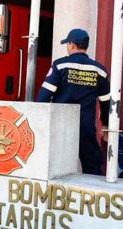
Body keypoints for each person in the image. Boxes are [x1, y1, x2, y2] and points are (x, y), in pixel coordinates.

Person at [36, 28, 110, 175]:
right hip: (86, 128)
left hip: (61, 127)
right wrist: (106, 125)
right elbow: (106, 102)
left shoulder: (60, 65)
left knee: (56, 170)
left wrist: (39, 123)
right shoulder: (100, 70)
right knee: (93, 169)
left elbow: (43, 98)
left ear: (71, 45)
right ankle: (91, 196)